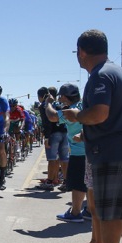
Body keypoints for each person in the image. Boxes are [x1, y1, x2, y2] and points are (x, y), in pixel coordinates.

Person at [63, 29, 122, 243]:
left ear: (82, 52)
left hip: (110, 151)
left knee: (109, 210)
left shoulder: (99, 75)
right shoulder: (119, 72)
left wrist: (77, 116)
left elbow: (99, 114)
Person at [45, 83, 85, 223]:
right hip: (91, 150)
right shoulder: (83, 106)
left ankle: (75, 213)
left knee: (78, 184)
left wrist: (48, 103)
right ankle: (90, 210)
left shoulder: (71, 110)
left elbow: (52, 116)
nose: (60, 100)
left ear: (65, 96)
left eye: (61, 97)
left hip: (79, 152)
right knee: (90, 184)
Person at [37, 86, 68, 189]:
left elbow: (47, 123)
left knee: (52, 159)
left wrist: (46, 137)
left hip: (53, 134)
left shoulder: (44, 106)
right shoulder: (59, 104)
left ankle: (50, 182)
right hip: (64, 132)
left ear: (40, 97)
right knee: (64, 159)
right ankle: (66, 182)